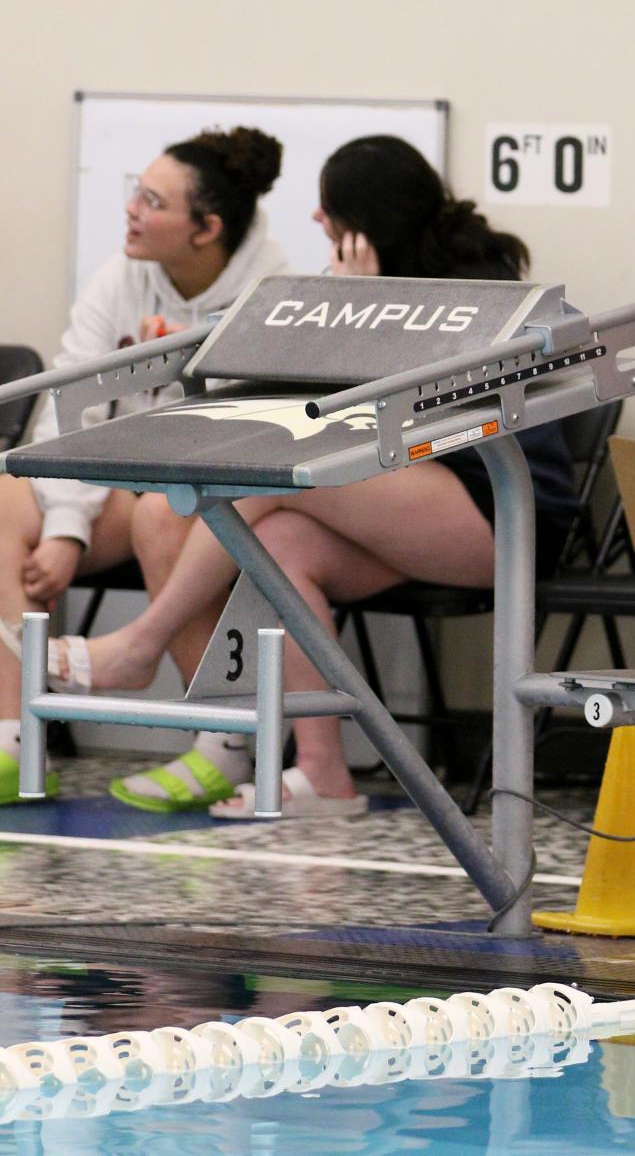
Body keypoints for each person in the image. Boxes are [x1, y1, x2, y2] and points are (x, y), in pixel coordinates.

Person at [44, 137, 577, 819]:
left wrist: (359, 306)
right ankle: (326, 773)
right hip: (423, 495)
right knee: (285, 543)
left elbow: (387, 416)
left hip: (507, 509)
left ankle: (141, 645)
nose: (318, 221)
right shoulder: (382, 277)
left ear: (367, 220)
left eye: (330, 209)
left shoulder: (481, 284)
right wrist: (351, 305)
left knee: (279, 475)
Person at [0, 127, 287, 808]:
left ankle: (223, 745)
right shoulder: (118, 277)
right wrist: (66, 527)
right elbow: (65, 417)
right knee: (4, 499)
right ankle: (16, 733)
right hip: (110, 489)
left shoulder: (271, 294)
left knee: (170, 512)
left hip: (210, 496)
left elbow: (246, 439)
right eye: (135, 192)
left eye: (152, 201)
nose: (131, 210)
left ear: (205, 228)